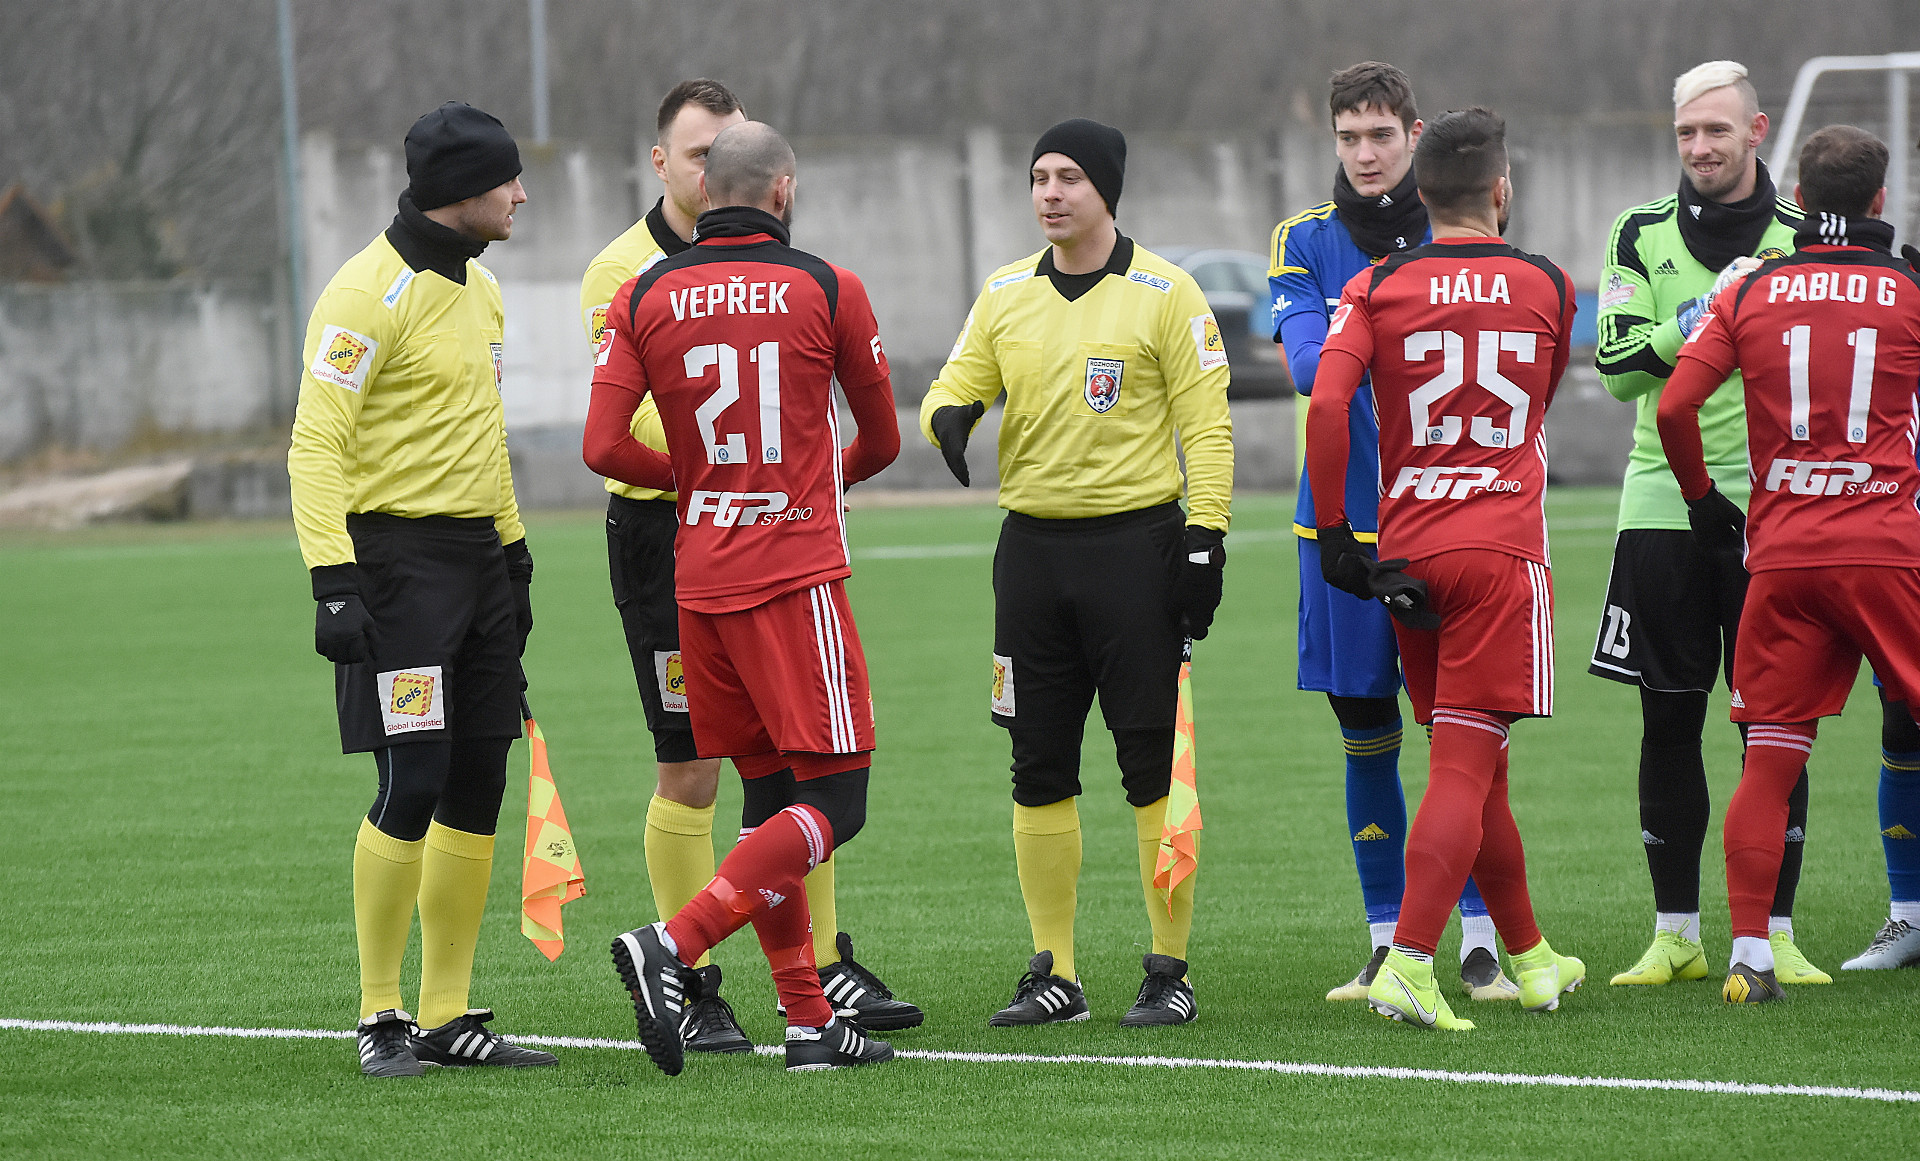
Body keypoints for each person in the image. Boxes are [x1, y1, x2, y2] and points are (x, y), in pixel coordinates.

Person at [578, 79, 919, 1055]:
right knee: (836, 800)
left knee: (765, 798)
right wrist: (814, 478)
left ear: (706, 190)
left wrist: (696, 482)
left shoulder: (644, 292)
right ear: (781, 191)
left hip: (696, 580)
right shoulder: (827, 286)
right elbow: (882, 439)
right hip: (792, 576)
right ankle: (671, 943)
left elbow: (603, 446)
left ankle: (808, 1018)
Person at [920, 118, 1233, 1028]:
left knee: (1152, 768)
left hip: (1137, 553)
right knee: (1038, 763)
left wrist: (1205, 539)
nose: (1050, 193)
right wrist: (949, 417)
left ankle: (1168, 968)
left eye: (1069, 178)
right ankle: (1054, 971)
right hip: (1031, 558)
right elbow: (953, 383)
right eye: (1039, 177)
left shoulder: (1166, 293)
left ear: (1106, 190)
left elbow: (1207, 427)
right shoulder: (1005, 292)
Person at [287, 102, 556, 1077]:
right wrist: (332, 578)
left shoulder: (482, 290)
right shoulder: (366, 292)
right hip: (396, 571)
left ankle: (448, 1014)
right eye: (508, 179)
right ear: (461, 190)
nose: (521, 194)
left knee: (482, 777)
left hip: (478, 563)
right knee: (415, 778)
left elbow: (483, 433)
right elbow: (316, 442)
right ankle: (380, 1014)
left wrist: (514, 556)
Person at [1308, 107, 1584, 1032]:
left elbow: (1328, 403)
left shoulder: (1378, 283)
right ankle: (1413, 960)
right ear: (1501, 189)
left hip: (1408, 554)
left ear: (1420, 194)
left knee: (1476, 764)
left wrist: (1339, 535)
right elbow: (1538, 404)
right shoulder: (1548, 283)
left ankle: (1533, 957)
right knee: (1468, 765)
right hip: (1498, 551)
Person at [1654, 124, 1920, 1002]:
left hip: (1783, 554)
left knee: (1769, 758)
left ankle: (1751, 955)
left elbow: (1675, 408)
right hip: (1885, 549)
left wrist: (1701, 500)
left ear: (1799, 199)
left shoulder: (1750, 289)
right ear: (1880, 200)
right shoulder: (1908, 288)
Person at [1268, 60, 1513, 1005]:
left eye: (1380, 135)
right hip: (1339, 529)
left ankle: (1481, 939)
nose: (1364, 154)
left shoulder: (1465, 229)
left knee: (1467, 736)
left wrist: (1360, 327)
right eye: (1348, 137)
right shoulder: (1304, 239)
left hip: (1449, 521)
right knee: (1365, 729)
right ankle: (1383, 941)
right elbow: (1306, 370)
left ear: (1414, 135)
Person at [1590, 60, 1829, 988]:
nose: (1699, 147)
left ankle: (1777, 933)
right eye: (1687, 132)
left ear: (1757, 131)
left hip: (1777, 511)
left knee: (1775, 727)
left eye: (1716, 130)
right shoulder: (1638, 230)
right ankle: (1676, 933)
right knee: (1668, 720)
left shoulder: (1803, 236)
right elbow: (1618, 368)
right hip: (1663, 506)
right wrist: (1700, 313)